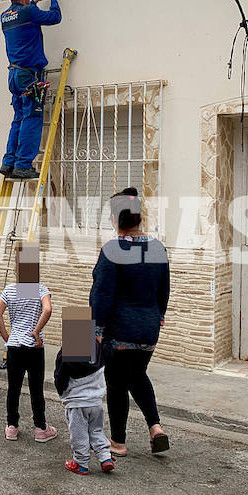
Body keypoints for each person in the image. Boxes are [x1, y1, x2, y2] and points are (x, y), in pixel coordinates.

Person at [90, 187, 171, 456]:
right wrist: (158, 316)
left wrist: (96, 330)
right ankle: (155, 427)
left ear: (115, 219)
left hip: (119, 330)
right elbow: (163, 290)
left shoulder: (113, 249)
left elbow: (102, 294)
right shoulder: (158, 248)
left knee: (116, 383)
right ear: (138, 218)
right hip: (148, 329)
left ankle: (118, 442)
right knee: (137, 376)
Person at [0, 0, 61, 179]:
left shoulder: (4, 16)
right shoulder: (29, 13)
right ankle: (23, 165)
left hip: (14, 76)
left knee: (18, 118)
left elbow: (24, 11)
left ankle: (9, 162)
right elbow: (54, 17)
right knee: (32, 118)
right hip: (30, 76)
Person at [0, 279, 58, 443]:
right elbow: (48, 309)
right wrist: (36, 331)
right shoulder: (40, 289)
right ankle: (41, 429)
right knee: (36, 388)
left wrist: (8, 338)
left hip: (15, 346)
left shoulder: (9, 290)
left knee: (13, 388)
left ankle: (12, 427)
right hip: (34, 346)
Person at [54, 348, 116, 475]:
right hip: (96, 402)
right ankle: (105, 457)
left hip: (77, 403)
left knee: (79, 434)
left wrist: (62, 393)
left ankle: (81, 463)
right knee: (96, 430)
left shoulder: (67, 353)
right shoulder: (98, 349)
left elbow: (60, 378)